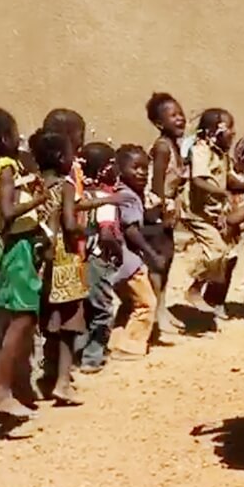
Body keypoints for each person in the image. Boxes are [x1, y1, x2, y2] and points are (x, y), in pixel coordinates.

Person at [0, 107, 47, 417]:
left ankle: (3, 382)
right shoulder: (6, 166)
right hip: (17, 247)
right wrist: (38, 200)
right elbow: (8, 211)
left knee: (13, 316)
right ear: (6, 137)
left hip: (8, 247)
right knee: (23, 314)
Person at [34, 129, 89, 406]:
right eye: (70, 154)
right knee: (70, 321)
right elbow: (69, 223)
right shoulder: (65, 186)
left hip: (39, 260)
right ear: (60, 157)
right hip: (64, 258)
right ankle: (63, 382)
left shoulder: (34, 185)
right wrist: (84, 229)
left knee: (48, 321)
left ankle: (46, 375)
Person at [182, 108, 239, 319]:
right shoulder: (201, 150)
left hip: (213, 213)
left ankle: (204, 292)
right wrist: (221, 192)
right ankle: (194, 287)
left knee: (226, 254)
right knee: (216, 251)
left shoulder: (221, 154)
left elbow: (228, 178)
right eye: (230, 128)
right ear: (216, 131)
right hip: (197, 213)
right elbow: (198, 179)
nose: (233, 133)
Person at [109, 145, 161, 359]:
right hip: (129, 263)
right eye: (136, 168)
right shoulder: (127, 196)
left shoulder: (123, 193)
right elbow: (130, 230)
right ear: (120, 169)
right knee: (147, 303)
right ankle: (130, 346)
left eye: (145, 169)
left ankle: (115, 339)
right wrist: (151, 253)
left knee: (129, 303)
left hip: (119, 261)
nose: (142, 173)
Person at [76, 143, 122, 374]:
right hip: (98, 260)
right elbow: (106, 233)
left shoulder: (80, 194)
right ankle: (92, 357)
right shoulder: (105, 197)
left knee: (82, 307)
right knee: (102, 308)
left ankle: (77, 352)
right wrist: (119, 251)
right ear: (106, 169)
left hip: (79, 259)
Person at [145, 92, 188, 336]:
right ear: (160, 123)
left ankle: (162, 308)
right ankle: (156, 312)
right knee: (158, 262)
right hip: (157, 211)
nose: (180, 118)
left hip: (168, 211)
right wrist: (162, 212)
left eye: (180, 113)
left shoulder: (175, 146)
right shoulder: (162, 147)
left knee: (168, 260)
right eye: (173, 116)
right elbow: (157, 185)